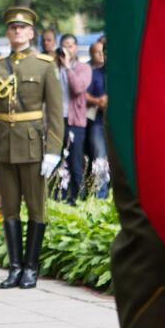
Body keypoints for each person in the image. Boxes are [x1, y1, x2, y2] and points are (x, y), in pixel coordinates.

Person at [0, 6, 63, 289]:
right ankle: (15, 268)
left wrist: (53, 149)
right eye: (12, 27)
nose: (17, 31)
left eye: (22, 27)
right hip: (3, 145)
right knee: (10, 209)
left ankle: (31, 268)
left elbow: (55, 112)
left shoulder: (44, 65)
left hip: (32, 146)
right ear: (8, 32)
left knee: (36, 208)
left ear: (30, 32)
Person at [58, 33, 92, 204]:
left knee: (75, 162)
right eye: (64, 45)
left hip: (75, 122)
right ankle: (59, 199)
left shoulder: (83, 68)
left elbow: (78, 88)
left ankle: (76, 199)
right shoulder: (54, 68)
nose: (67, 49)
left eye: (70, 45)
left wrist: (67, 67)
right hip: (56, 121)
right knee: (58, 163)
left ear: (76, 48)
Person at [85, 41, 109, 198]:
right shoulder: (94, 73)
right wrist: (98, 101)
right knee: (99, 159)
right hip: (99, 123)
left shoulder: (125, 73)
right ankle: (101, 198)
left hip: (122, 126)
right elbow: (84, 94)